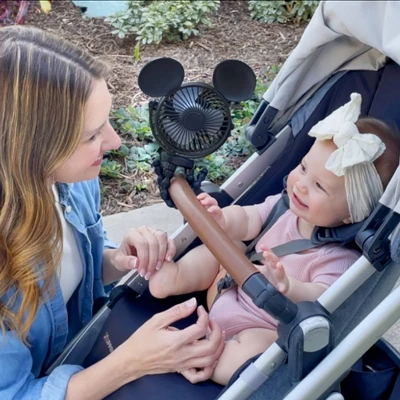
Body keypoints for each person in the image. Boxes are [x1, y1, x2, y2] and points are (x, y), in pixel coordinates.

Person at [0, 26, 225, 400]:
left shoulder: (70, 183)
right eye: (91, 135)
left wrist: (115, 260)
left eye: (108, 121)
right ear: (30, 149)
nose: (115, 141)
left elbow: (66, 274)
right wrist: (132, 362)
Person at [148, 93, 400, 385]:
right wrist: (222, 219)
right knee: (224, 248)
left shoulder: (339, 259)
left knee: (262, 351)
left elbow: (321, 297)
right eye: (303, 168)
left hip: (260, 325)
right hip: (225, 288)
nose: (301, 185)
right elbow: (247, 219)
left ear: (351, 213)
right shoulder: (282, 208)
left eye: (319, 186)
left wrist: (289, 287)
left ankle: (207, 357)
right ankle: (175, 277)